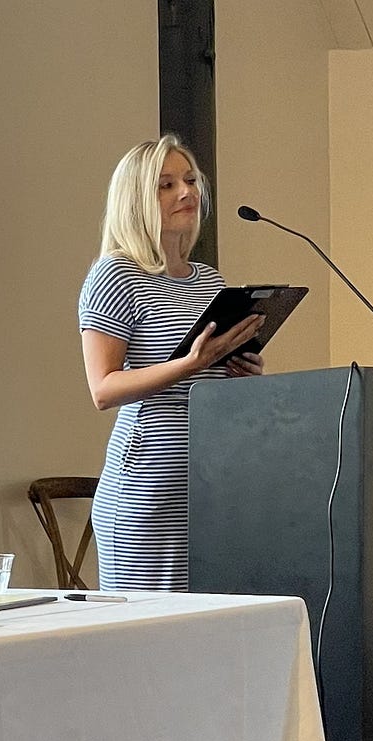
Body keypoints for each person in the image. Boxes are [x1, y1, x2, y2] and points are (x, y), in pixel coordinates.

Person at [78, 135, 265, 591]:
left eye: (189, 180)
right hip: (146, 490)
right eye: (165, 185)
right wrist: (192, 363)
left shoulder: (211, 280)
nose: (186, 192)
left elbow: (210, 375)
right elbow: (103, 389)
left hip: (212, 481)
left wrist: (241, 372)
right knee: (150, 640)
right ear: (136, 199)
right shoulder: (116, 274)